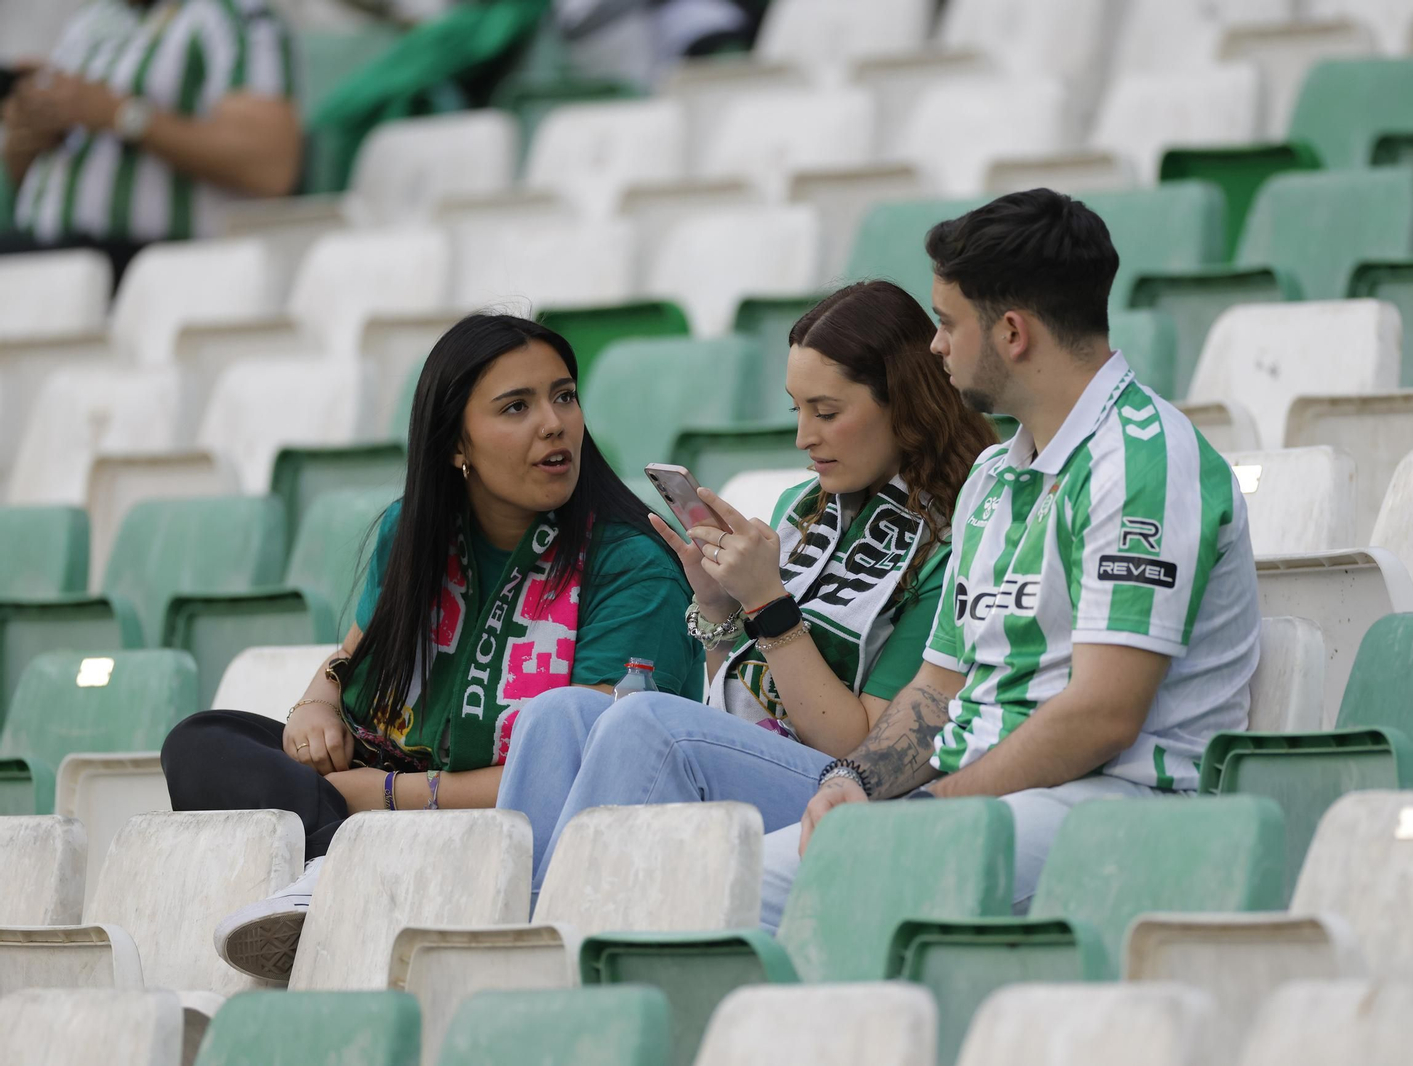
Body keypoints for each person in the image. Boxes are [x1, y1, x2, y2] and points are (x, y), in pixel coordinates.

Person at [761, 189, 1262, 928]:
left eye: (947, 323)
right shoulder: (994, 475)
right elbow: (936, 694)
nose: (934, 347)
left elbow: (1102, 717)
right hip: (998, 801)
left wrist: (928, 809)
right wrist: (856, 782)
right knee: (721, 885)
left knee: (831, 895)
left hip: (1127, 809)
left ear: (1013, 332)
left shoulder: (1140, 460)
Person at [161, 313, 701, 980]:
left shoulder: (632, 566)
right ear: (456, 445)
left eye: (564, 395)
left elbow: (583, 768)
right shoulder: (415, 530)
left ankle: (335, 870)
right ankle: (336, 861)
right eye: (517, 406)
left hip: (509, 825)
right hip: (377, 779)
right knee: (203, 739)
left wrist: (381, 798)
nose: (554, 423)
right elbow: (348, 661)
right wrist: (315, 706)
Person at [494, 279, 997, 895]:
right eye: (797, 409)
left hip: (854, 789)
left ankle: (559, 936)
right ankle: (517, 933)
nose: (804, 437)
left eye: (828, 412)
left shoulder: (957, 535)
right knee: (557, 713)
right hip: (768, 754)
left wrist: (768, 604)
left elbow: (860, 743)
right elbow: (742, 685)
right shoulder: (803, 506)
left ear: (905, 404)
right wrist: (719, 603)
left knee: (647, 724)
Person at [2, 0, 301, 285]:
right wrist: (31, 133)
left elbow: (270, 168)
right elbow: (24, 178)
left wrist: (121, 114)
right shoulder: (92, 19)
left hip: (155, 263)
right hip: (47, 250)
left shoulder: (234, 17)